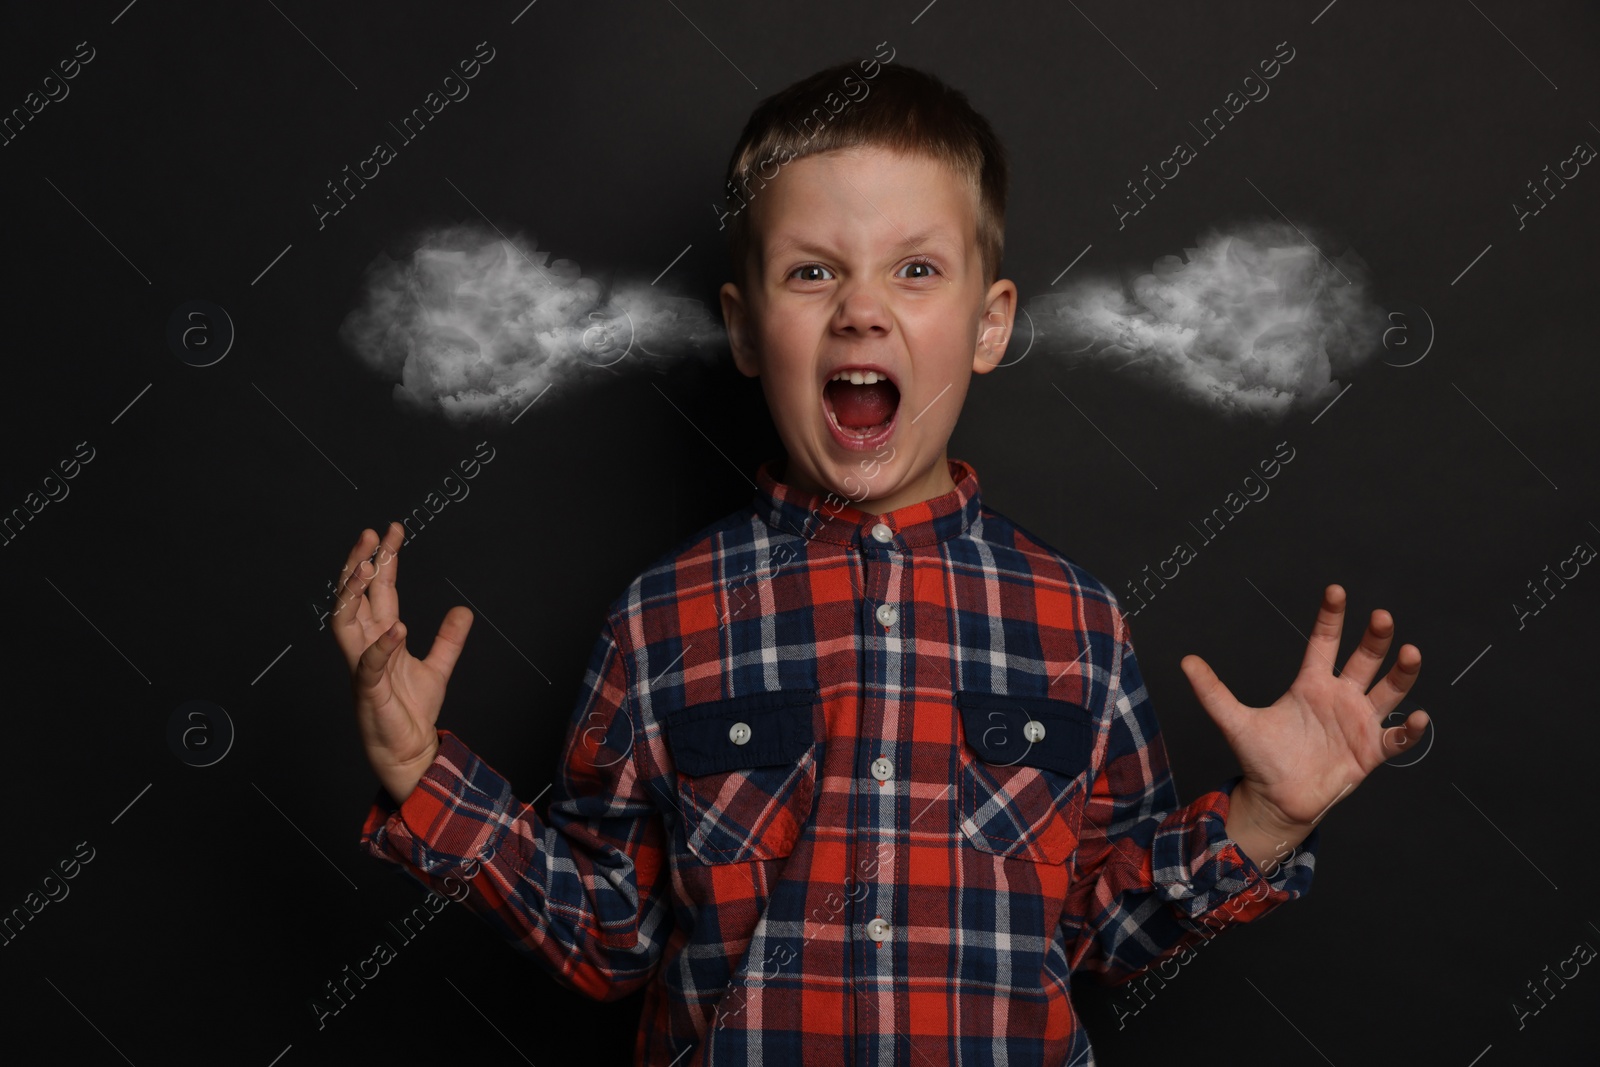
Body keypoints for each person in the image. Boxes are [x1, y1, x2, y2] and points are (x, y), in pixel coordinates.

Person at [332, 57, 1428, 1066]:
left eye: (915, 270)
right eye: (812, 273)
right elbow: (610, 934)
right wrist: (422, 777)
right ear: (747, 327)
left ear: (988, 325)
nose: (861, 310)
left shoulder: (1076, 626)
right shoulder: (659, 620)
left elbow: (1103, 925)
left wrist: (1265, 820)